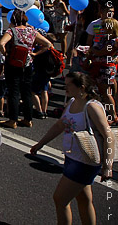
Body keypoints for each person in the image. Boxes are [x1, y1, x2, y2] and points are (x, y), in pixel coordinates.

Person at [30, 72, 114, 225]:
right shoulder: (72, 102)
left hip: (84, 162)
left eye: (69, 85)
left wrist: (108, 166)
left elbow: (109, 136)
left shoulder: (92, 107)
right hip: (71, 157)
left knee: (60, 199)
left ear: (81, 88)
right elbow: (59, 125)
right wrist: (40, 144)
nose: (65, 87)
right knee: (83, 199)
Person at [0, 10, 54, 128]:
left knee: (14, 91)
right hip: (27, 64)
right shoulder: (32, 31)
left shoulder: (12, 31)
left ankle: (12, 120)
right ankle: (28, 119)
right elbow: (48, 44)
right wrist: (36, 53)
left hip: (13, 64)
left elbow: (1, 43)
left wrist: (6, 54)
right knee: (26, 91)